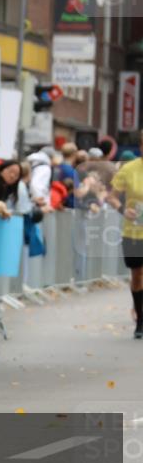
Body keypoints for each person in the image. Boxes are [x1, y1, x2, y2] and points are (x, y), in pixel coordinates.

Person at [106, 137, 143, 339]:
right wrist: (123, 209)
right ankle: (140, 319)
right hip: (133, 232)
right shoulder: (129, 169)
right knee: (137, 275)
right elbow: (112, 197)